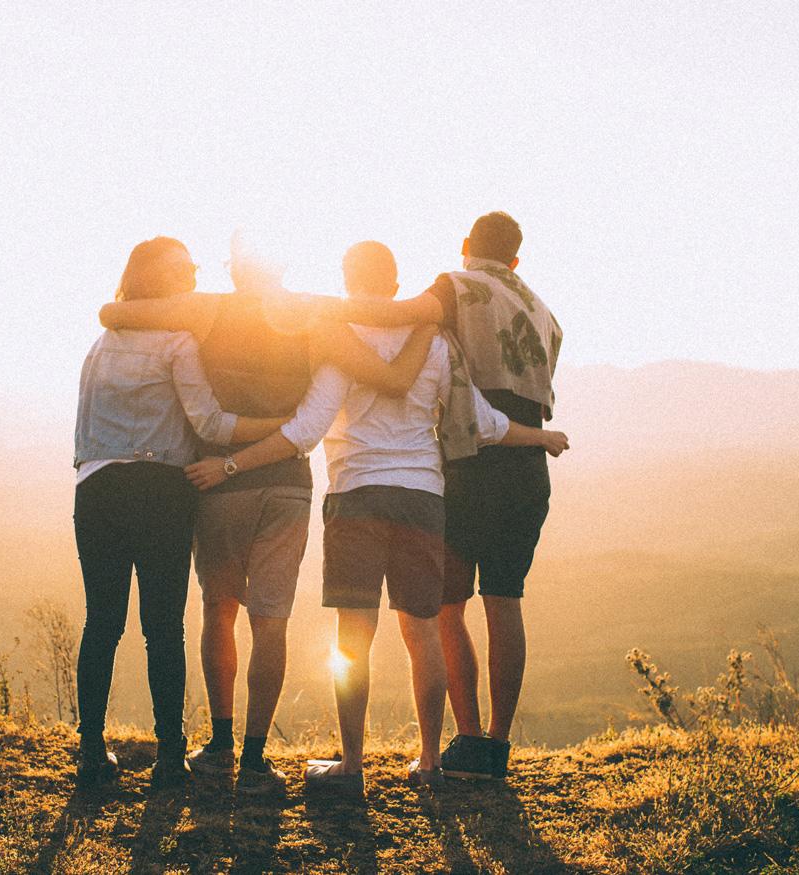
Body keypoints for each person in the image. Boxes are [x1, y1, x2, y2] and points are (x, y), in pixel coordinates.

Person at [186, 241, 568, 794]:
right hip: (423, 499)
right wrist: (542, 437)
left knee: (353, 638)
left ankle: (351, 766)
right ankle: (431, 762)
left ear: (347, 280)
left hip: (357, 495)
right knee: (423, 633)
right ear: (395, 285)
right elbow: (483, 422)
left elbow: (307, 429)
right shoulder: (435, 342)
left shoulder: (340, 339)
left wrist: (230, 464)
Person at [98, 235, 434, 795]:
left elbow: (117, 312)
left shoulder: (208, 309)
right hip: (287, 484)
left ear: (234, 270)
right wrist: (427, 318)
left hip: (218, 483)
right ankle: (256, 759)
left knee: (219, 609)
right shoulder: (313, 316)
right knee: (271, 620)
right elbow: (383, 373)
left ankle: (221, 743)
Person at [318, 213, 564, 780]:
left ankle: (466, 740)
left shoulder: (456, 287)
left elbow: (400, 316)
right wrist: (542, 437)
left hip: (470, 463)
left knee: (444, 609)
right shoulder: (546, 313)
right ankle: (495, 748)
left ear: (465, 246)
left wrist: (315, 309)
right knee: (506, 601)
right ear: (517, 259)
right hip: (526, 466)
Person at [73, 236, 288, 790]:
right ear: (159, 281)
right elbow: (211, 425)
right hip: (161, 491)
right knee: (162, 628)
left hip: (96, 488)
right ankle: (170, 757)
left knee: (102, 623)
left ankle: (92, 753)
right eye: (184, 269)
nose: (193, 274)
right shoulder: (177, 341)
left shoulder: (101, 344)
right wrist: (280, 428)